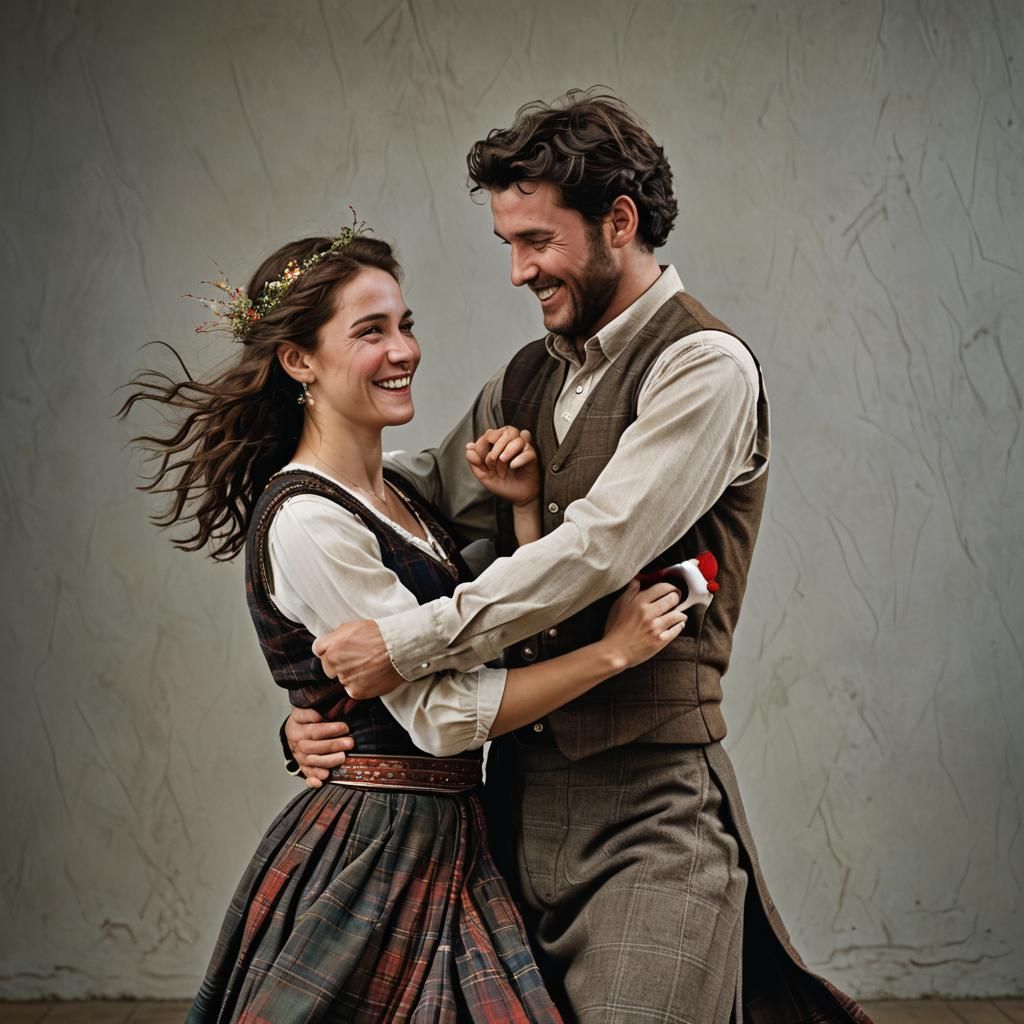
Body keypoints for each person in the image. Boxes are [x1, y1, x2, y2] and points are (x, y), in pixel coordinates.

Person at [289, 92, 873, 1023]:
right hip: (505, 818)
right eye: (507, 245)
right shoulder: (528, 376)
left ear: (619, 222)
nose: (518, 271)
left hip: (652, 816)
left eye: (536, 241)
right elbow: (412, 508)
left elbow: (597, 548)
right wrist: (313, 681)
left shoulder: (705, 369)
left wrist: (403, 646)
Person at [120, 225, 690, 1022]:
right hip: (373, 846)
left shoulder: (402, 496)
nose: (404, 350)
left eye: (405, 324)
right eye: (370, 331)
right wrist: (612, 653)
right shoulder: (308, 521)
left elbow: (492, 622)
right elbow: (445, 716)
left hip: (455, 830)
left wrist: (524, 506)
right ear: (298, 362)